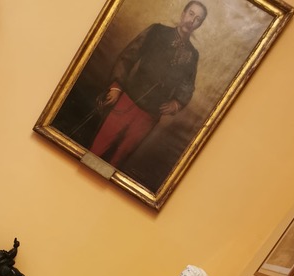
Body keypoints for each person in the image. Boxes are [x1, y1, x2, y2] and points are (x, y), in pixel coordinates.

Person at [89, 1, 208, 168]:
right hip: (127, 100)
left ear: (199, 25)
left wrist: (177, 103)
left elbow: (187, 85)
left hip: (150, 115)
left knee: (118, 160)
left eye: (198, 19)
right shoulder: (156, 31)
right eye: (191, 14)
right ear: (183, 14)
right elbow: (128, 57)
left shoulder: (192, 55)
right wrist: (116, 86)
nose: (192, 20)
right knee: (97, 149)